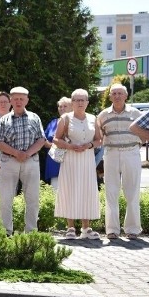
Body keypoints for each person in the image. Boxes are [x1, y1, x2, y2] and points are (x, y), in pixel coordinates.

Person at [0, 86, 46, 235]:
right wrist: (16, 153)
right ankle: (6, 232)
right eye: (15, 99)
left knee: (33, 199)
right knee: (5, 199)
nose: (18, 101)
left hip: (31, 162)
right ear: (10, 100)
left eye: (21, 99)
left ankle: (31, 231)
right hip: (9, 162)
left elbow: (41, 139)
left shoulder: (34, 117)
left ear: (27, 100)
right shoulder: (4, 120)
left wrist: (27, 153)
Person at [54, 89, 102, 239]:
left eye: (83, 100)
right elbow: (56, 139)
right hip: (70, 159)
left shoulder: (93, 118)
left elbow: (99, 140)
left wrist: (88, 146)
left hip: (87, 159)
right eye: (77, 100)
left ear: (87, 102)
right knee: (70, 189)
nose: (80, 103)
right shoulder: (65, 118)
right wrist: (69, 146)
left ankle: (86, 228)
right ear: (72, 102)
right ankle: (70, 228)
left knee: (86, 190)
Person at [98, 83, 143, 239]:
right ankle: (112, 230)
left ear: (126, 96)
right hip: (111, 153)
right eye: (114, 93)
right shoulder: (102, 115)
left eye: (120, 93)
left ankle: (132, 230)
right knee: (111, 192)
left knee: (132, 192)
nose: (116, 96)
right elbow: (100, 137)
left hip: (131, 153)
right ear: (110, 96)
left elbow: (145, 133)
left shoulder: (136, 113)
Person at [44, 97, 71, 189]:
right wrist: (52, 145)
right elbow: (43, 139)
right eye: (60, 106)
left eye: (65, 106)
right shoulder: (53, 123)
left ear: (71, 107)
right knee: (56, 192)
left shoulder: (76, 123)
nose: (62, 108)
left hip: (71, 161)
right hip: (54, 162)